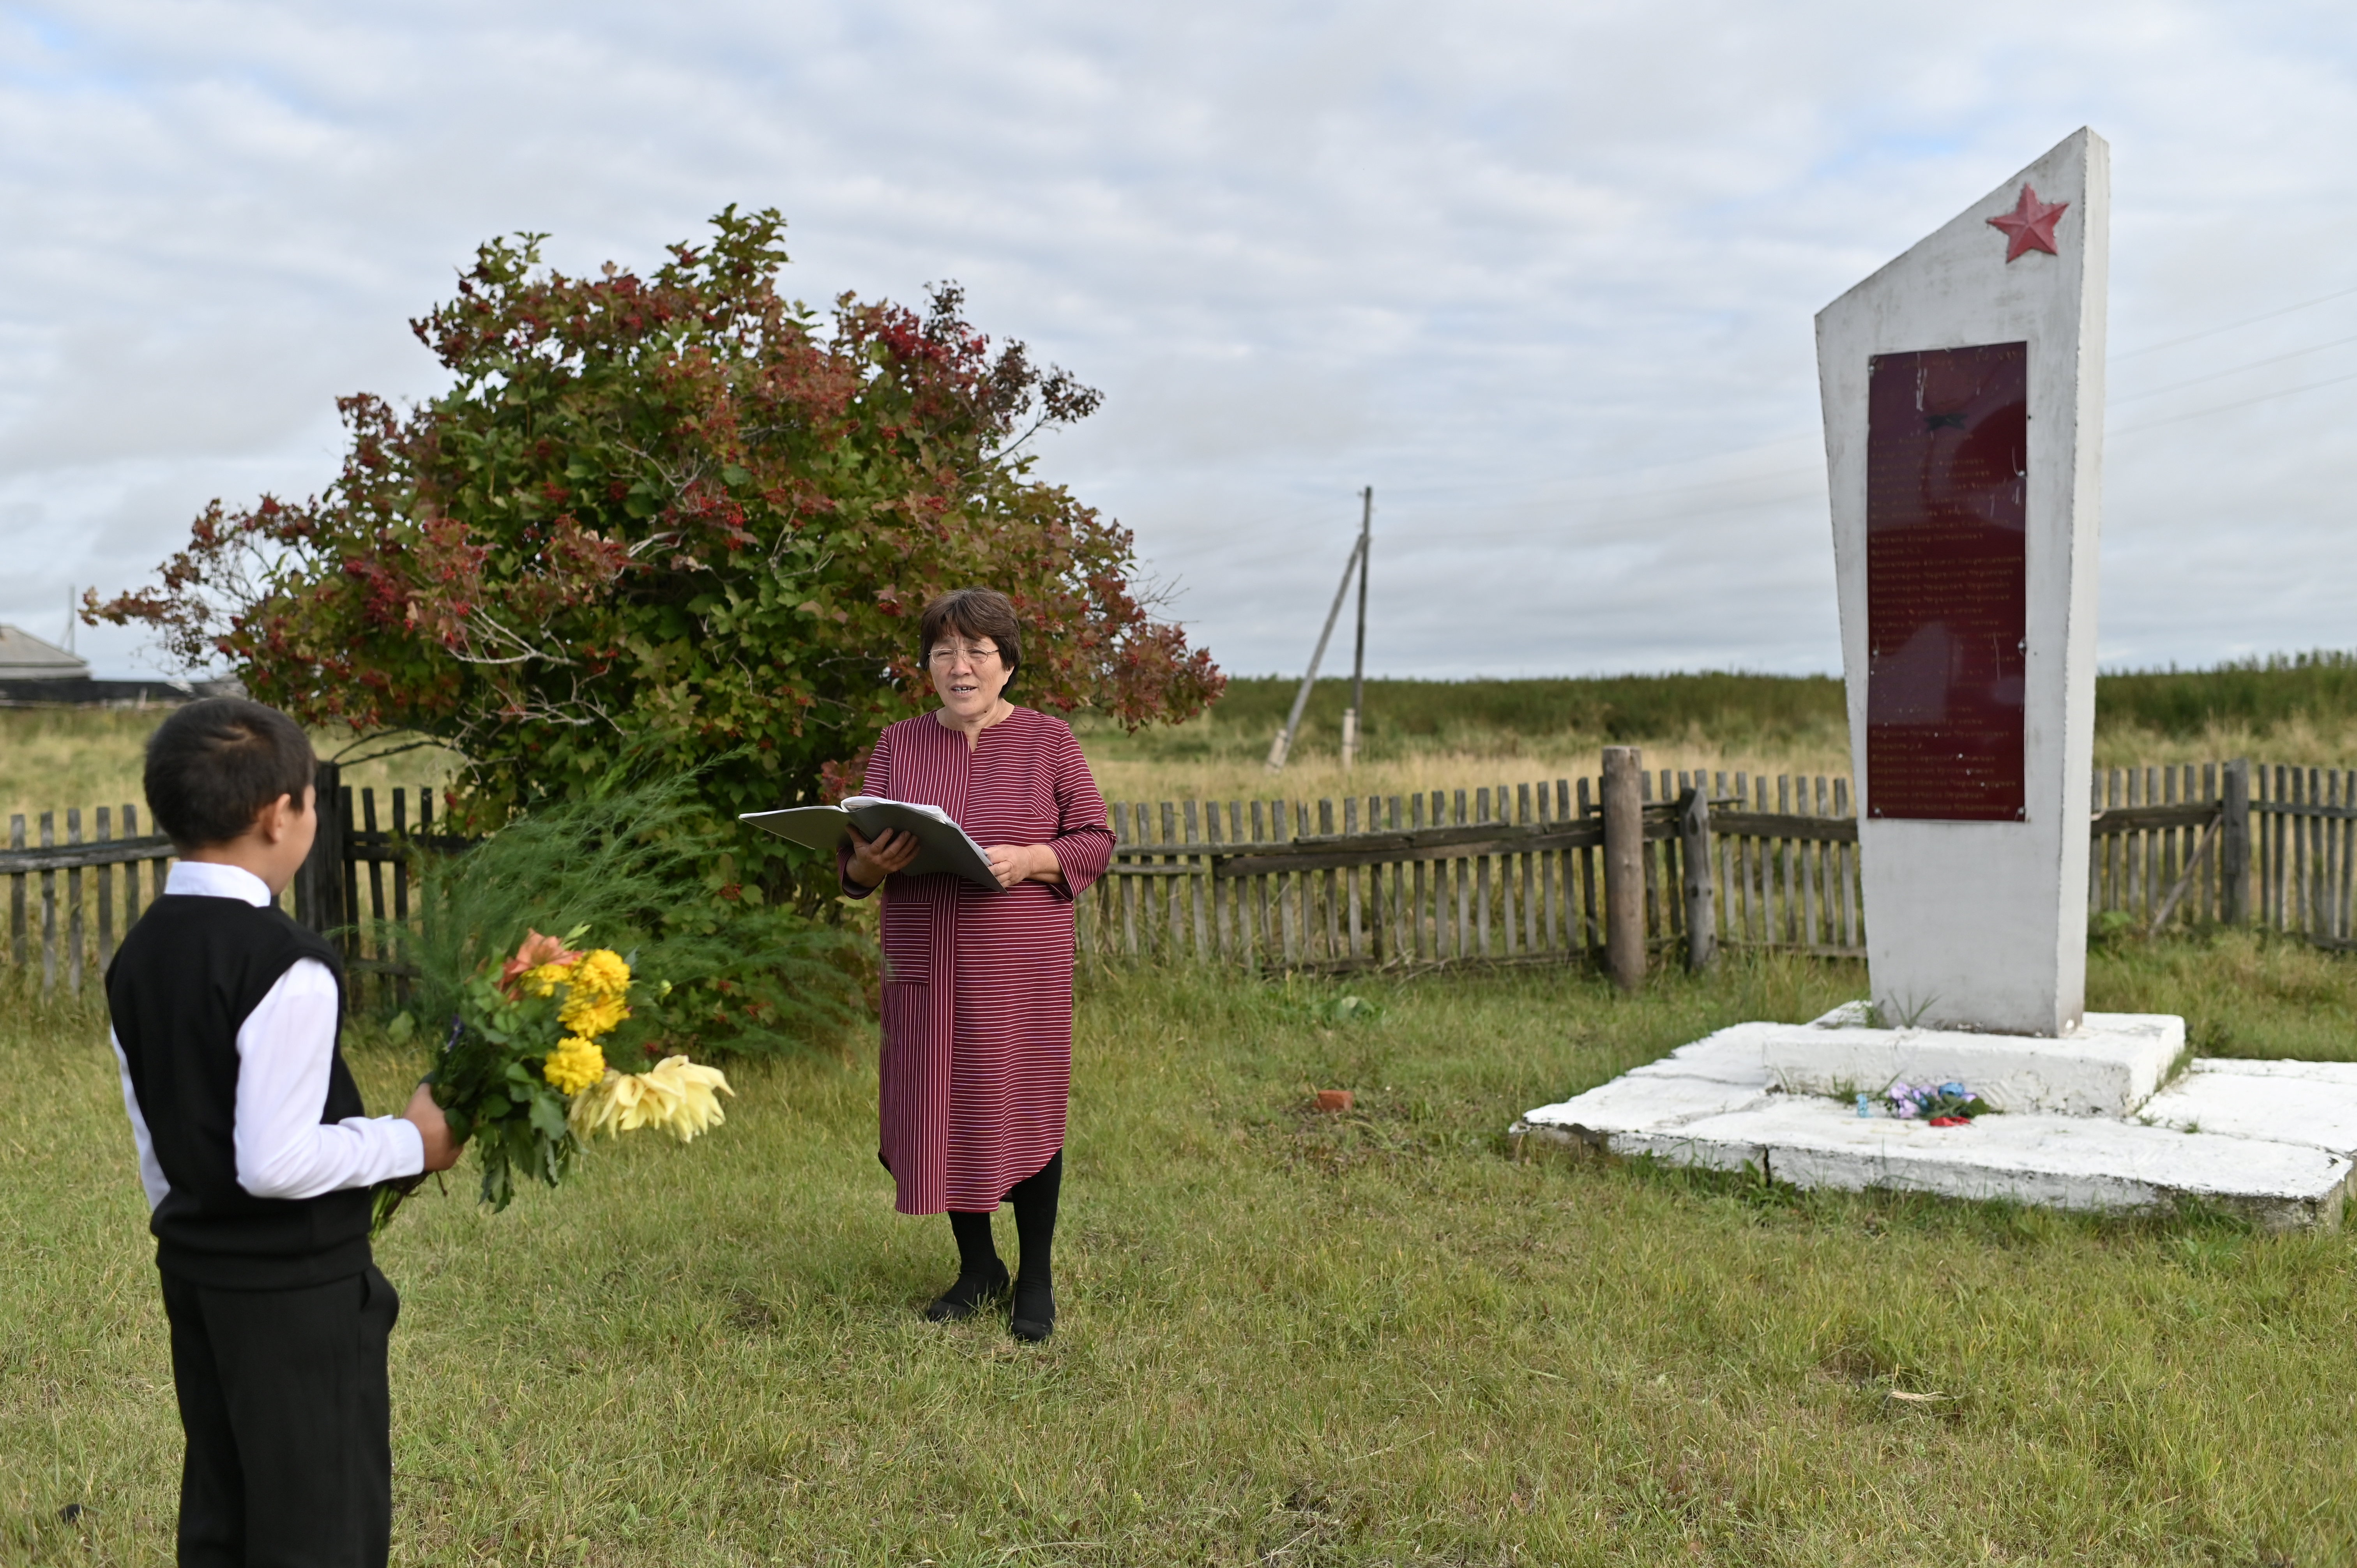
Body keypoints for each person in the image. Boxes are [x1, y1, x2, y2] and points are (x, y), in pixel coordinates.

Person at [105, 697, 462, 1568]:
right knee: (321, 1531)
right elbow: (276, 1159)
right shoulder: (288, 961)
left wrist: (194, 1232)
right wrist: (414, 1139)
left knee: (225, 1518)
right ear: (281, 815)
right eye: (310, 801)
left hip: (195, 1273)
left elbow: (156, 1141)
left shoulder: (141, 950)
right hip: (295, 1298)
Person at [841, 588, 1114, 1342]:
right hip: (924, 962)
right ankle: (978, 1268)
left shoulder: (1050, 742)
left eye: (977, 652)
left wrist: (1032, 857)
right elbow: (856, 869)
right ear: (927, 665)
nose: (959, 667)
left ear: (1007, 664)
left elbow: (1095, 838)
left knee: (1017, 1107)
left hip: (1017, 970)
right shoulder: (897, 746)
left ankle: (1035, 1278)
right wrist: (868, 863)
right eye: (943, 652)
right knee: (939, 1109)